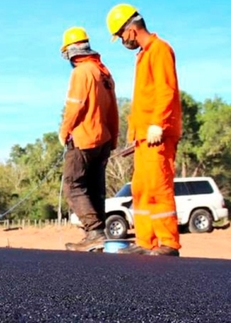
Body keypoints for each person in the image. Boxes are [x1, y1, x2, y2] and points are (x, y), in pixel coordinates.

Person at [106, 4, 182, 256]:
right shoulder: (144, 54)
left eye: (120, 36)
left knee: (158, 185)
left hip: (157, 133)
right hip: (143, 137)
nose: (121, 42)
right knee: (140, 188)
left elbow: (166, 89)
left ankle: (167, 242)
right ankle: (146, 241)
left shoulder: (159, 49)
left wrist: (157, 123)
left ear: (130, 29)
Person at [59, 26, 120, 252]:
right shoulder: (104, 73)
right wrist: (113, 139)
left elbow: (74, 107)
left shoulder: (81, 72)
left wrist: (64, 132)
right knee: (95, 188)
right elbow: (114, 110)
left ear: (70, 52)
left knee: (74, 185)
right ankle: (98, 236)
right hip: (103, 140)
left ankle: (94, 232)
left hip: (84, 139)